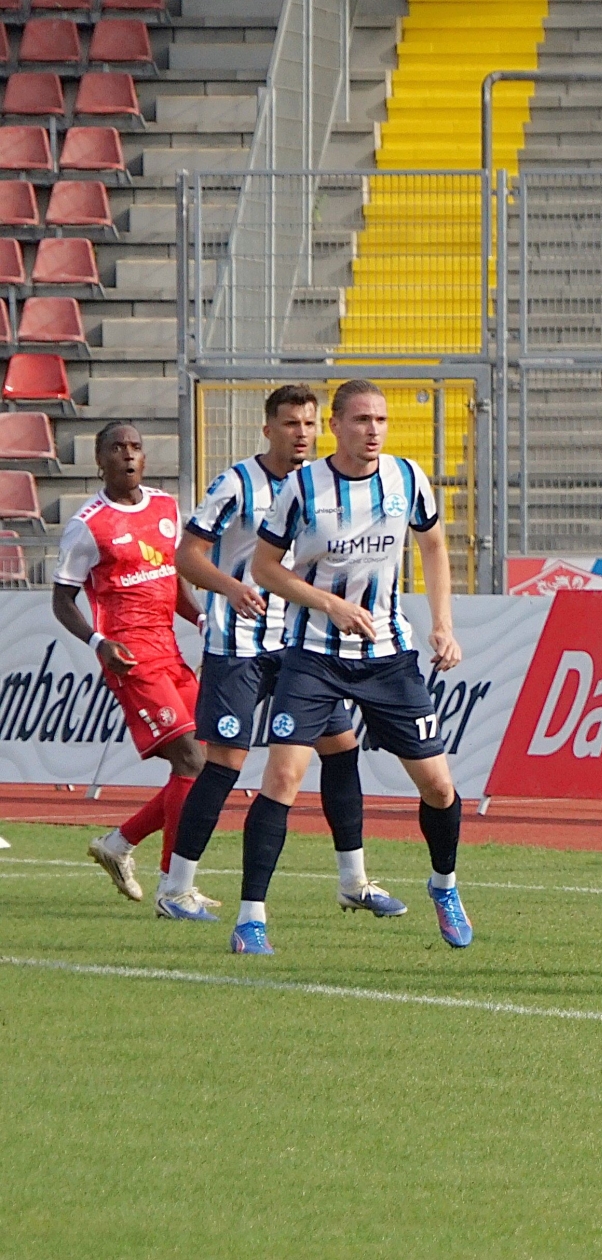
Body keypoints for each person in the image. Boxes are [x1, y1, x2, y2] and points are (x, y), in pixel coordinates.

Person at [222, 380, 470, 956]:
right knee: (282, 779)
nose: (373, 430)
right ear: (336, 426)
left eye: (380, 419)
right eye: (361, 420)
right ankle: (250, 919)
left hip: (387, 656)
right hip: (313, 655)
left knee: (439, 787)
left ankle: (444, 886)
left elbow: (434, 546)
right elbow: (265, 568)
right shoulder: (303, 487)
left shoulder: (407, 478)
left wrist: (442, 625)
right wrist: (328, 604)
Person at [156, 385, 402, 923]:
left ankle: (354, 881)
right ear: (268, 429)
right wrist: (231, 588)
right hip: (239, 644)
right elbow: (187, 557)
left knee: (341, 749)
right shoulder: (237, 483)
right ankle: (175, 888)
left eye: (309, 424)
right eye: (291, 424)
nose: (302, 434)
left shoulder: (321, 484)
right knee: (225, 764)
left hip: (301, 645)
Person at [54, 424, 206, 906]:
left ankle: (118, 844)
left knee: (204, 766)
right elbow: (61, 600)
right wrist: (98, 642)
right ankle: (174, 887)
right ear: (99, 460)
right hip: (131, 659)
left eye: (135, 447)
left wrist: (201, 618)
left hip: (170, 651)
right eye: (117, 448)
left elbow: (173, 578)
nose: (128, 455)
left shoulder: (165, 507)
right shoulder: (88, 524)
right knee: (190, 759)